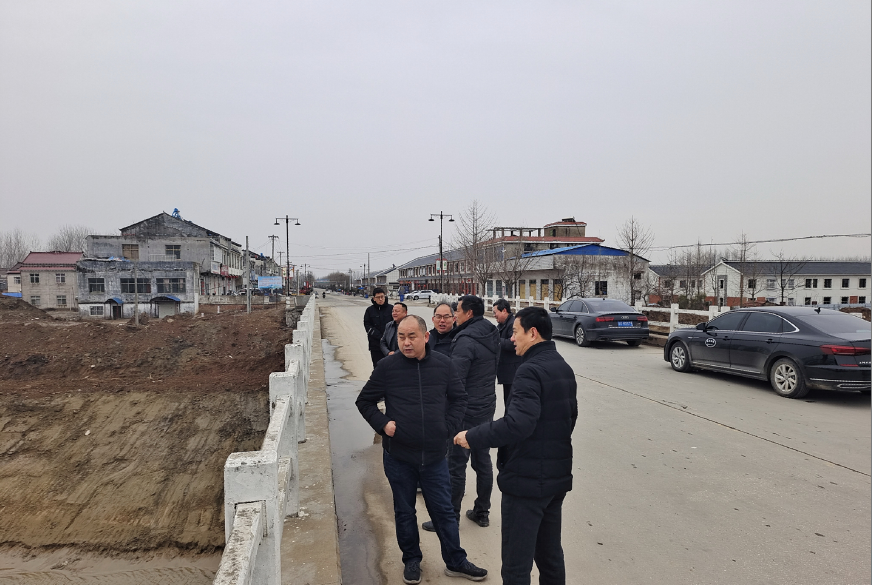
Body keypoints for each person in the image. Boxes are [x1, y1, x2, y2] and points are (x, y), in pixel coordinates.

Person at [356, 315, 488, 584]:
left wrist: (447, 428)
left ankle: (456, 561)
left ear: (425, 337)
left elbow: (459, 399)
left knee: (443, 511)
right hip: (399, 457)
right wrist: (383, 424)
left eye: (411, 336)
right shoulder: (387, 367)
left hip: (435, 458)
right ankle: (412, 560)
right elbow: (365, 401)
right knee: (404, 512)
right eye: (401, 337)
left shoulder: (443, 365)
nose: (405, 342)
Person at [454, 307, 577, 585]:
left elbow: (517, 424)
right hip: (555, 478)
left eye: (515, 332)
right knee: (550, 557)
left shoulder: (529, 371)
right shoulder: (562, 366)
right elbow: (570, 419)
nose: (511, 339)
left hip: (526, 483)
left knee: (515, 566)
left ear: (532, 333)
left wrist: (472, 436)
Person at [424, 294, 498, 532]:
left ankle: (450, 518)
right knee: (482, 460)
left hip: (466, 410)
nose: (455, 316)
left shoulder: (465, 339)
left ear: (469, 313)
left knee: (455, 464)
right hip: (486, 405)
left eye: (457, 311)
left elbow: (455, 380)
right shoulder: (491, 331)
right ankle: (482, 512)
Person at [493, 299, 521, 405]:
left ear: (504, 310)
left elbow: (512, 344)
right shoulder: (501, 325)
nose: (494, 315)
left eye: (495, 312)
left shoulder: (513, 324)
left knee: (511, 402)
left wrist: (496, 341)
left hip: (513, 371)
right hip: (507, 372)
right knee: (507, 400)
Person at [364, 288, 393, 368]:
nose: (380, 299)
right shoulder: (369, 310)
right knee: (378, 368)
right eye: (378, 297)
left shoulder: (391, 309)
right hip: (375, 345)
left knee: (390, 368)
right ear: (374, 298)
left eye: (382, 297)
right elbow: (367, 325)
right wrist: (379, 336)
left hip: (389, 345)